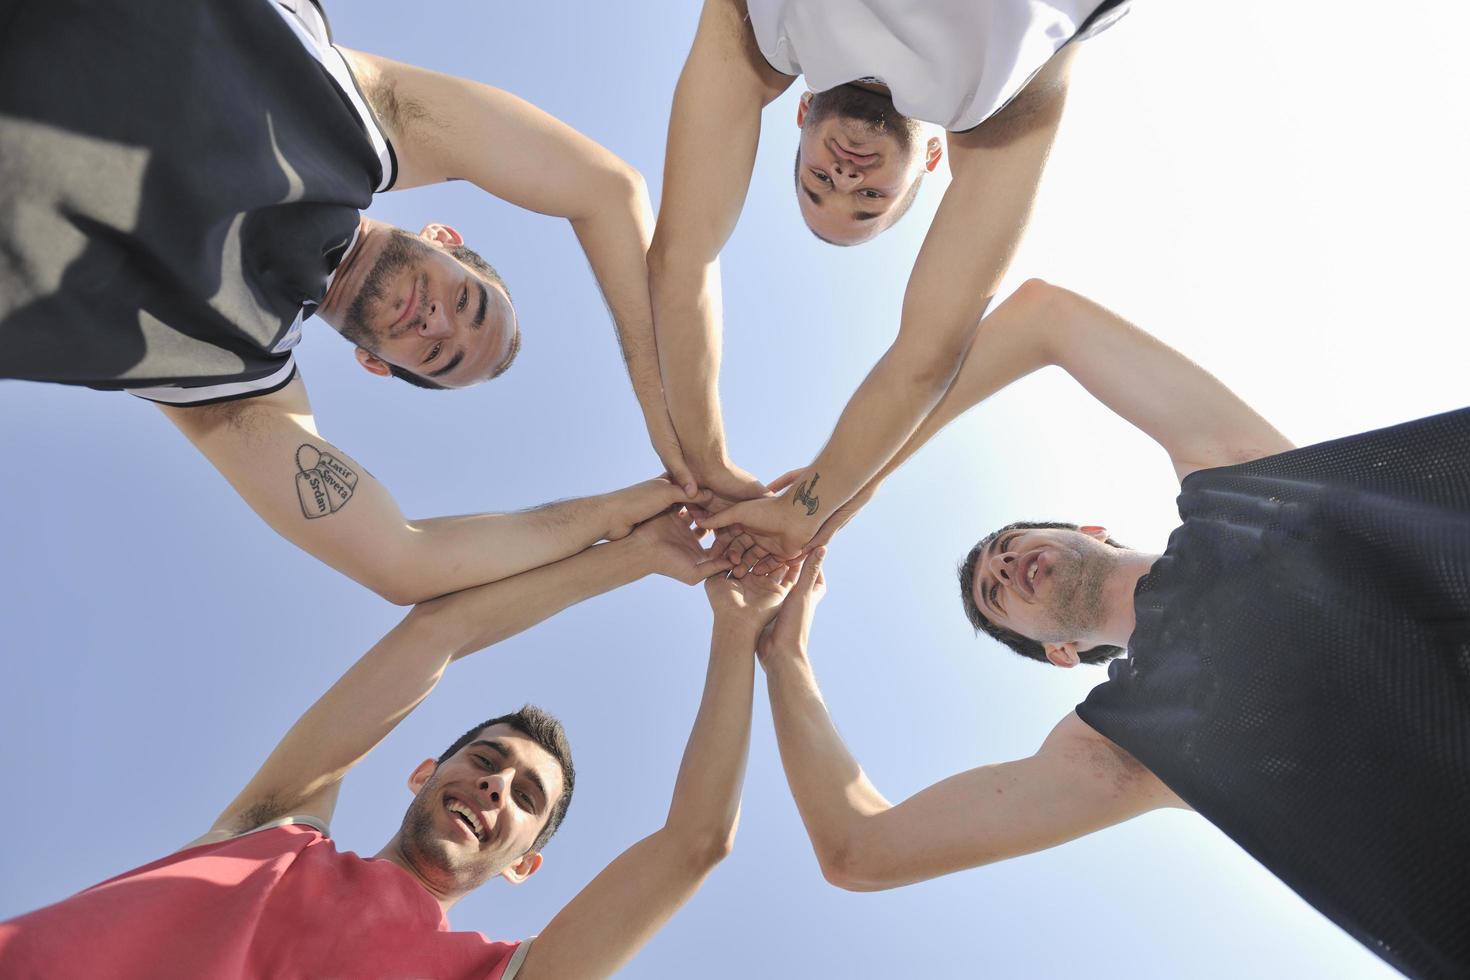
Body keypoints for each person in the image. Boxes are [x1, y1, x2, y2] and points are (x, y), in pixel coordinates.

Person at [756, 281, 1470, 978]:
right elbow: (861, 851)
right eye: (992, 594)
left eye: (1008, 543)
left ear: (1090, 529)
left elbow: (1046, 316)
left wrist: (847, 479)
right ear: (1060, 652)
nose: (1003, 566)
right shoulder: (1134, 743)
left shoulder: (1238, 481)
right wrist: (783, 654)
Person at [0, 0, 696, 603]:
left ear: (373, 363)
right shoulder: (362, 115)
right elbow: (609, 191)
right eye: (468, 303)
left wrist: (626, 510)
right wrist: (674, 418)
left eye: (435, 356)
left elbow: (405, 561)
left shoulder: (230, 376)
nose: (436, 323)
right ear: (444, 237)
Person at [0, 506, 816, 978]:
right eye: (486, 760)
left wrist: (737, 630)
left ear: (526, 863)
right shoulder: (276, 832)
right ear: (426, 772)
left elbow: (695, 845)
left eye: (526, 798)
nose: (497, 786)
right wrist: (635, 552)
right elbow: (438, 629)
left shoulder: (491, 976)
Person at [650, 0, 1128, 564]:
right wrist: (801, 510)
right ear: (933, 157)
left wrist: (707, 467)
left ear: (802, 112)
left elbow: (683, 258)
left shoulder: (766, 32)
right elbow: (928, 356)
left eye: (818, 180)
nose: (847, 176)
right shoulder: (996, 98)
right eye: (870, 197)